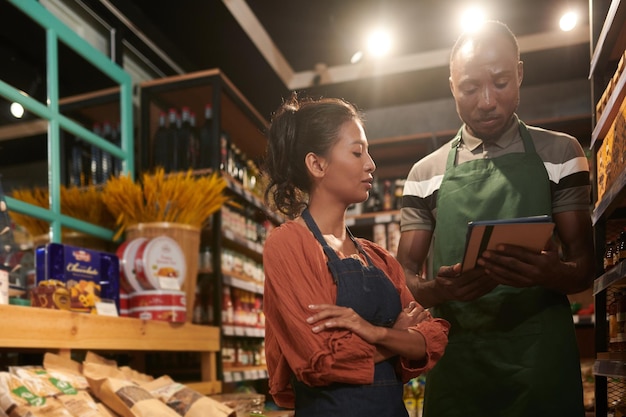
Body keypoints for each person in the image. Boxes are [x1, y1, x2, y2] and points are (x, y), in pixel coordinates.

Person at [396, 20, 595, 417]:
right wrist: (441, 290)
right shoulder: (425, 174)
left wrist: (547, 273)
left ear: (520, 73)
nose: (486, 100)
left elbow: (586, 267)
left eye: (501, 82)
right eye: (470, 88)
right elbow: (403, 278)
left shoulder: (562, 154)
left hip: (539, 361)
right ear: (451, 85)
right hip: (457, 362)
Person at [262, 93, 450, 417]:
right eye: (357, 151)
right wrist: (397, 337)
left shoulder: (379, 258)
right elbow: (319, 360)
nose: (371, 164)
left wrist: (373, 331)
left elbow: (433, 338)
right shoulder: (288, 245)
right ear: (317, 164)